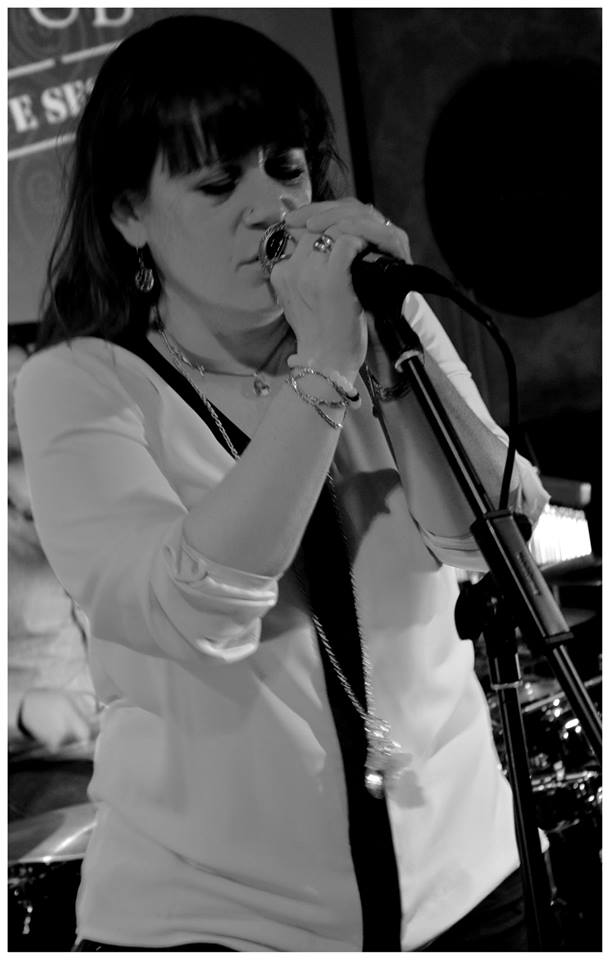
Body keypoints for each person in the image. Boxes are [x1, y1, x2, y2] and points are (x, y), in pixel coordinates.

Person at [15, 14, 549, 952]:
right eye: (219, 183)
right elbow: (194, 609)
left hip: (465, 882)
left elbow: (493, 533)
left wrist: (383, 336)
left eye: (287, 169)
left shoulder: (376, 325)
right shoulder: (79, 385)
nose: (269, 209)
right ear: (128, 214)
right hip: (218, 921)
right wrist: (324, 371)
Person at [9, 323, 100, 820]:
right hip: (39, 766)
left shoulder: (92, 492)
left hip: (129, 743)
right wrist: (22, 708)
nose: (11, 401)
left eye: (19, 381)